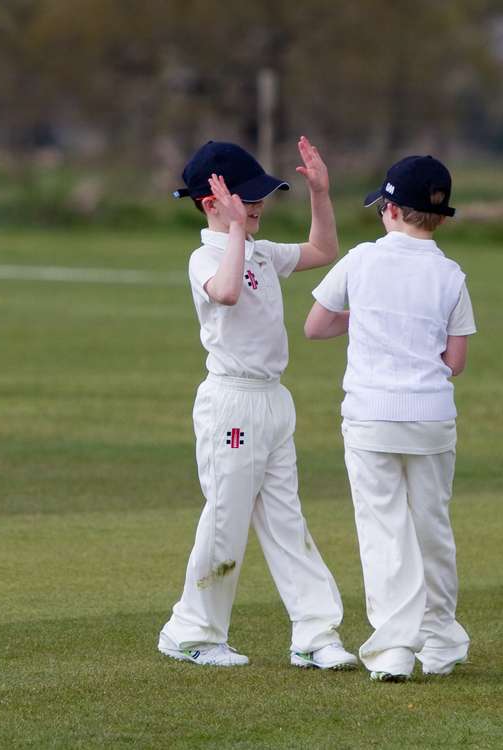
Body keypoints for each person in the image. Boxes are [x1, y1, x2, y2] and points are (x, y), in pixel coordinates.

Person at [158, 137, 357, 670]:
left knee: (287, 519)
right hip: (231, 403)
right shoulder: (206, 255)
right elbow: (224, 292)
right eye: (247, 201)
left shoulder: (263, 252)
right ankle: (192, 631)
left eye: (258, 199)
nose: (258, 207)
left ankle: (315, 635)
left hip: (273, 401)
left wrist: (320, 194)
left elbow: (323, 250)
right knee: (226, 516)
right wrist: (237, 233)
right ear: (210, 204)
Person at [304, 155, 476, 682]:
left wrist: (368, 317)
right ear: (439, 215)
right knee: (432, 528)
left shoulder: (361, 261)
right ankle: (442, 642)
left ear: (394, 209)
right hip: (430, 418)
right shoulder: (451, 274)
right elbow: (456, 361)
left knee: (384, 531)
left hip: (371, 417)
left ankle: (395, 650)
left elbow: (316, 326)